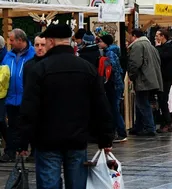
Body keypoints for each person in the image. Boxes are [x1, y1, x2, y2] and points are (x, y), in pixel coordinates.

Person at [19, 23, 113, 189]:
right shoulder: (87, 68)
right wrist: (105, 138)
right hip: (77, 139)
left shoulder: (39, 69)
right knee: (77, 184)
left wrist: (22, 141)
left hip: (47, 140)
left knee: (49, 184)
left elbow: (29, 108)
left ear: (51, 42)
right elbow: (101, 105)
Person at [0, 28, 35, 163]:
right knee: (12, 127)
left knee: (29, 125)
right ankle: (10, 152)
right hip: (11, 98)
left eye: (12, 40)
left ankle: (33, 152)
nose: (10, 42)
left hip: (26, 97)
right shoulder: (8, 56)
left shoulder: (32, 55)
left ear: (20, 40)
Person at [128, 29, 163, 136]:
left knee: (142, 103)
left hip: (143, 79)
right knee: (141, 103)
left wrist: (131, 75)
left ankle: (149, 127)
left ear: (134, 36)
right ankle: (138, 126)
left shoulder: (138, 46)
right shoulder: (151, 46)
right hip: (152, 79)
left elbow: (135, 63)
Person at [97, 34, 127, 142]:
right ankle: (117, 132)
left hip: (114, 85)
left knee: (114, 109)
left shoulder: (109, 53)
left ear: (105, 43)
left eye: (100, 41)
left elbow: (112, 68)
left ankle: (121, 132)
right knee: (114, 108)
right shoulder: (112, 51)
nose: (99, 43)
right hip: (116, 84)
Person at [155, 29, 172, 133]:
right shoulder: (167, 47)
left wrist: (158, 47)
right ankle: (165, 123)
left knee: (163, 100)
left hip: (166, 77)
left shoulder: (170, 48)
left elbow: (161, 57)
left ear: (163, 36)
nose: (156, 37)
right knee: (161, 100)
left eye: (157, 35)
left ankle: (167, 123)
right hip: (162, 76)